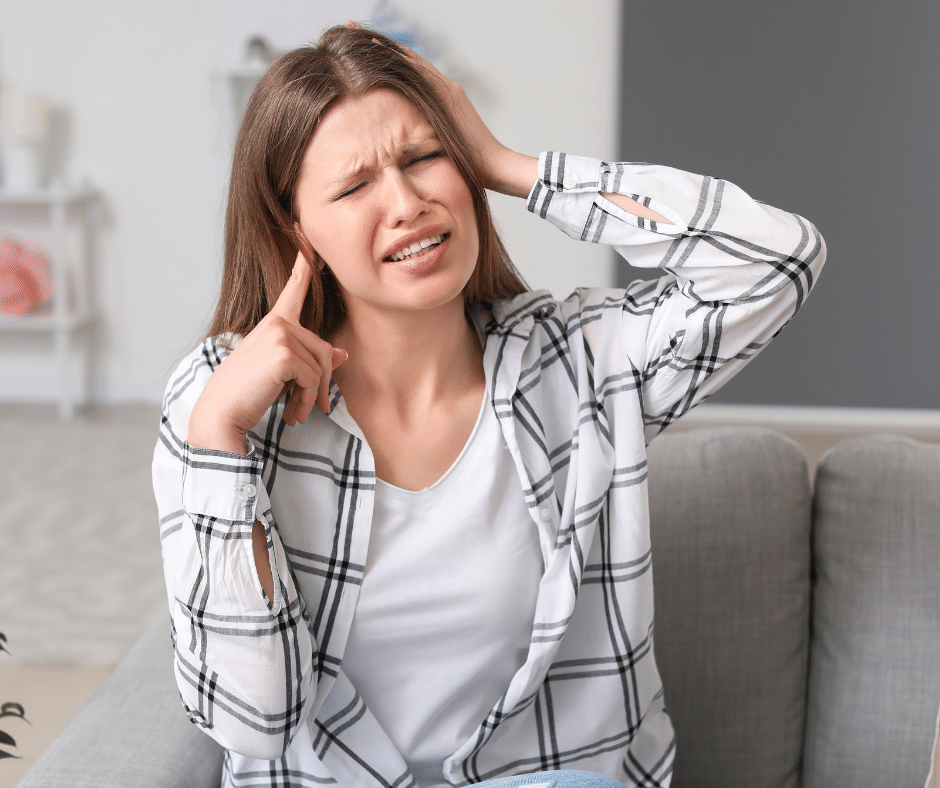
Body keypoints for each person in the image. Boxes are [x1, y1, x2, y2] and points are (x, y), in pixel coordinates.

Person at [153, 23, 825, 788]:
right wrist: (217, 440)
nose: (407, 203)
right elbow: (255, 720)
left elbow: (776, 260)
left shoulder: (578, 361)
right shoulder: (221, 403)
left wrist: (513, 166)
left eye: (424, 157)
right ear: (296, 227)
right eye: (354, 185)